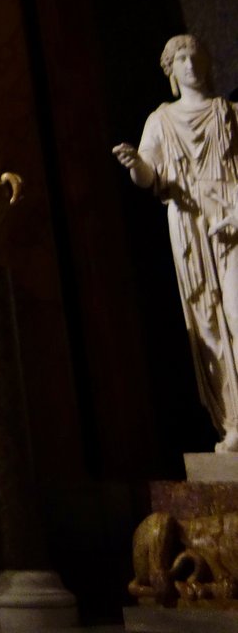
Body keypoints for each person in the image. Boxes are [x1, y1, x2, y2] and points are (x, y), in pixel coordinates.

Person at [115, 34, 238, 452]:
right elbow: (150, 178)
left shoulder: (230, 113)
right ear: (170, 70)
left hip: (231, 217)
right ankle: (234, 423)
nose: (189, 64)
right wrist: (137, 165)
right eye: (180, 58)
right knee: (207, 322)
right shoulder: (160, 120)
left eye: (194, 56)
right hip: (188, 222)